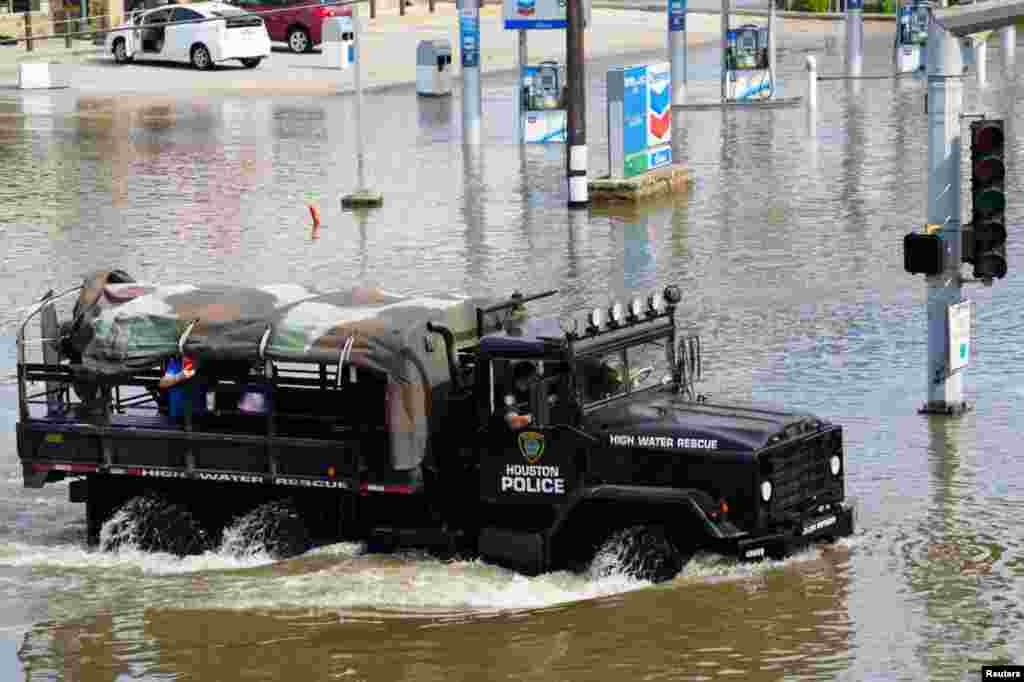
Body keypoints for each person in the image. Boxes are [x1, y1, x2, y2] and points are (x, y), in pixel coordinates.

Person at [159, 355, 209, 421]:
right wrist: (181, 376)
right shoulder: (176, 364)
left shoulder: (203, 366)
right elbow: (162, 383)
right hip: (177, 415)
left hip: (197, 415)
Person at [501, 361, 537, 430]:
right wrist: (536, 416)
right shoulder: (509, 395)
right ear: (526, 378)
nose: (536, 380)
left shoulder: (530, 391)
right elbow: (514, 423)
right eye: (533, 377)